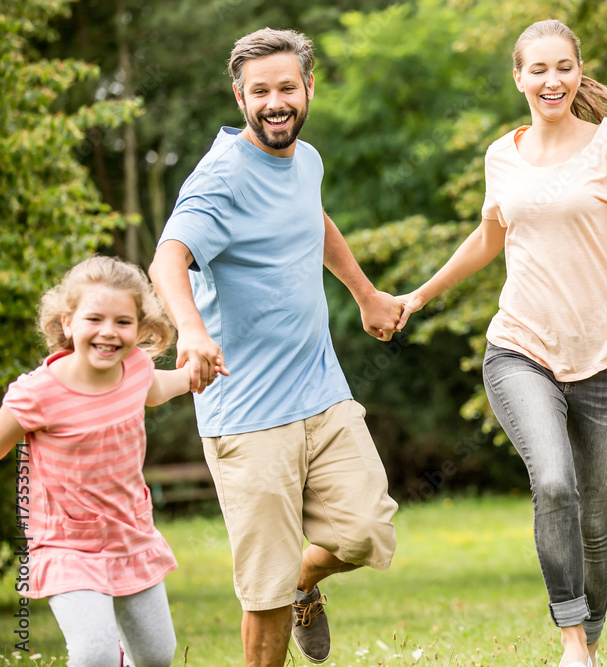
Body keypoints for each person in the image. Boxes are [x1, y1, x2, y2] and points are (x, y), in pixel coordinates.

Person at [394, 19, 607, 667]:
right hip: (520, 348)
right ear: (518, 77)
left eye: (563, 67)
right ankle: (570, 640)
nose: (551, 80)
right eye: (537, 69)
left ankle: (587, 639)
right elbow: (488, 236)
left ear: (578, 71)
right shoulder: (500, 155)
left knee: (596, 517)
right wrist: (418, 295)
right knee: (554, 483)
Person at [147, 27, 401, 667]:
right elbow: (168, 259)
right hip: (248, 414)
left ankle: (302, 584)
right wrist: (193, 331)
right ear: (240, 97)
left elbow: (312, 221)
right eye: (260, 91)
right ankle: (284, 590)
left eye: (287, 87)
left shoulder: (305, 160)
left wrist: (365, 294)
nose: (275, 102)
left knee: (366, 531)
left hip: (322, 392)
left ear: (308, 88)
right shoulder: (220, 179)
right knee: (261, 593)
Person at [0, 256, 214, 667]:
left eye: (122, 322)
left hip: (130, 533)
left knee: (155, 655)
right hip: (66, 543)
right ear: (68, 323)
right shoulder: (38, 393)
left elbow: (155, 388)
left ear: (140, 328)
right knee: (94, 655)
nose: (108, 333)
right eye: (94, 318)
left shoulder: (134, 368)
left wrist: (193, 376)